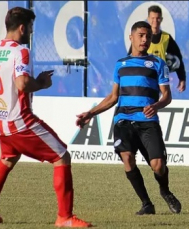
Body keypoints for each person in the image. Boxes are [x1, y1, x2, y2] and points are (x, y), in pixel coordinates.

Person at [0, 7, 92, 227]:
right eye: (30, 27)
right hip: (20, 120)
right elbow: (22, 83)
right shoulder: (22, 51)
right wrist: (41, 83)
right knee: (62, 157)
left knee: (8, 159)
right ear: (22, 27)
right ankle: (64, 217)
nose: (31, 31)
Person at [76, 21, 182, 215]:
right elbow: (113, 97)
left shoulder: (158, 63)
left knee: (158, 166)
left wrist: (156, 105)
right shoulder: (120, 64)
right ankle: (146, 204)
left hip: (148, 121)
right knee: (128, 158)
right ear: (131, 37)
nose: (145, 40)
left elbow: (167, 96)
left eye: (148, 36)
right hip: (123, 119)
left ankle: (165, 191)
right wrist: (90, 113)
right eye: (141, 35)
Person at [128, 5, 186, 92]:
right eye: (152, 18)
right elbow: (131, 56)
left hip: (160, 78)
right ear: (148, 19)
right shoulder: (142, 37)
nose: (155, 21)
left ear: (161, 19)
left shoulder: (166, 38)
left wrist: (182, 78)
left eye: (157, 18)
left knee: (159, 102)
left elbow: (178, 58)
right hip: (144, 76)